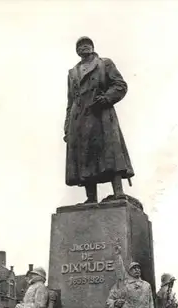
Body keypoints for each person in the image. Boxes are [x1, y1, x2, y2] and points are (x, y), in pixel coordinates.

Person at [64, 36, 134, 203]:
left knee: (110, 152)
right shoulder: (72, 73)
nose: (83, 47)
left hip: (100, 114)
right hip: (79, 118)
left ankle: (118, 192)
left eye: (86, 44)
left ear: (92, 47)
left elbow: (120, 85)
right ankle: (91, 198)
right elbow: (70, 101)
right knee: (85, 156)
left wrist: (107, 98)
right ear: (77, 51)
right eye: (80, 46)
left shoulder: (105, 63)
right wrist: (67, 126)